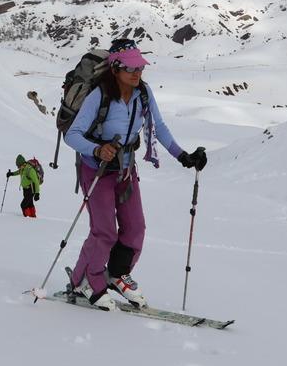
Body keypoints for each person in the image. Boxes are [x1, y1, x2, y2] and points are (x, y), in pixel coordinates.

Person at [64, 39, 207, 310]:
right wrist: (96, 150)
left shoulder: (143, 92)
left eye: (139, 67)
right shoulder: (99, 95)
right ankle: (87, 281)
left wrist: (183, 156)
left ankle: (116, 274)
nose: (136, 72)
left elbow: (159, 127)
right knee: (104, 231)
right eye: (130, 68)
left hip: (126, 170)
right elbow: (72, 135)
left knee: (135, 228)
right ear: (115, 68)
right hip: (97, 170)